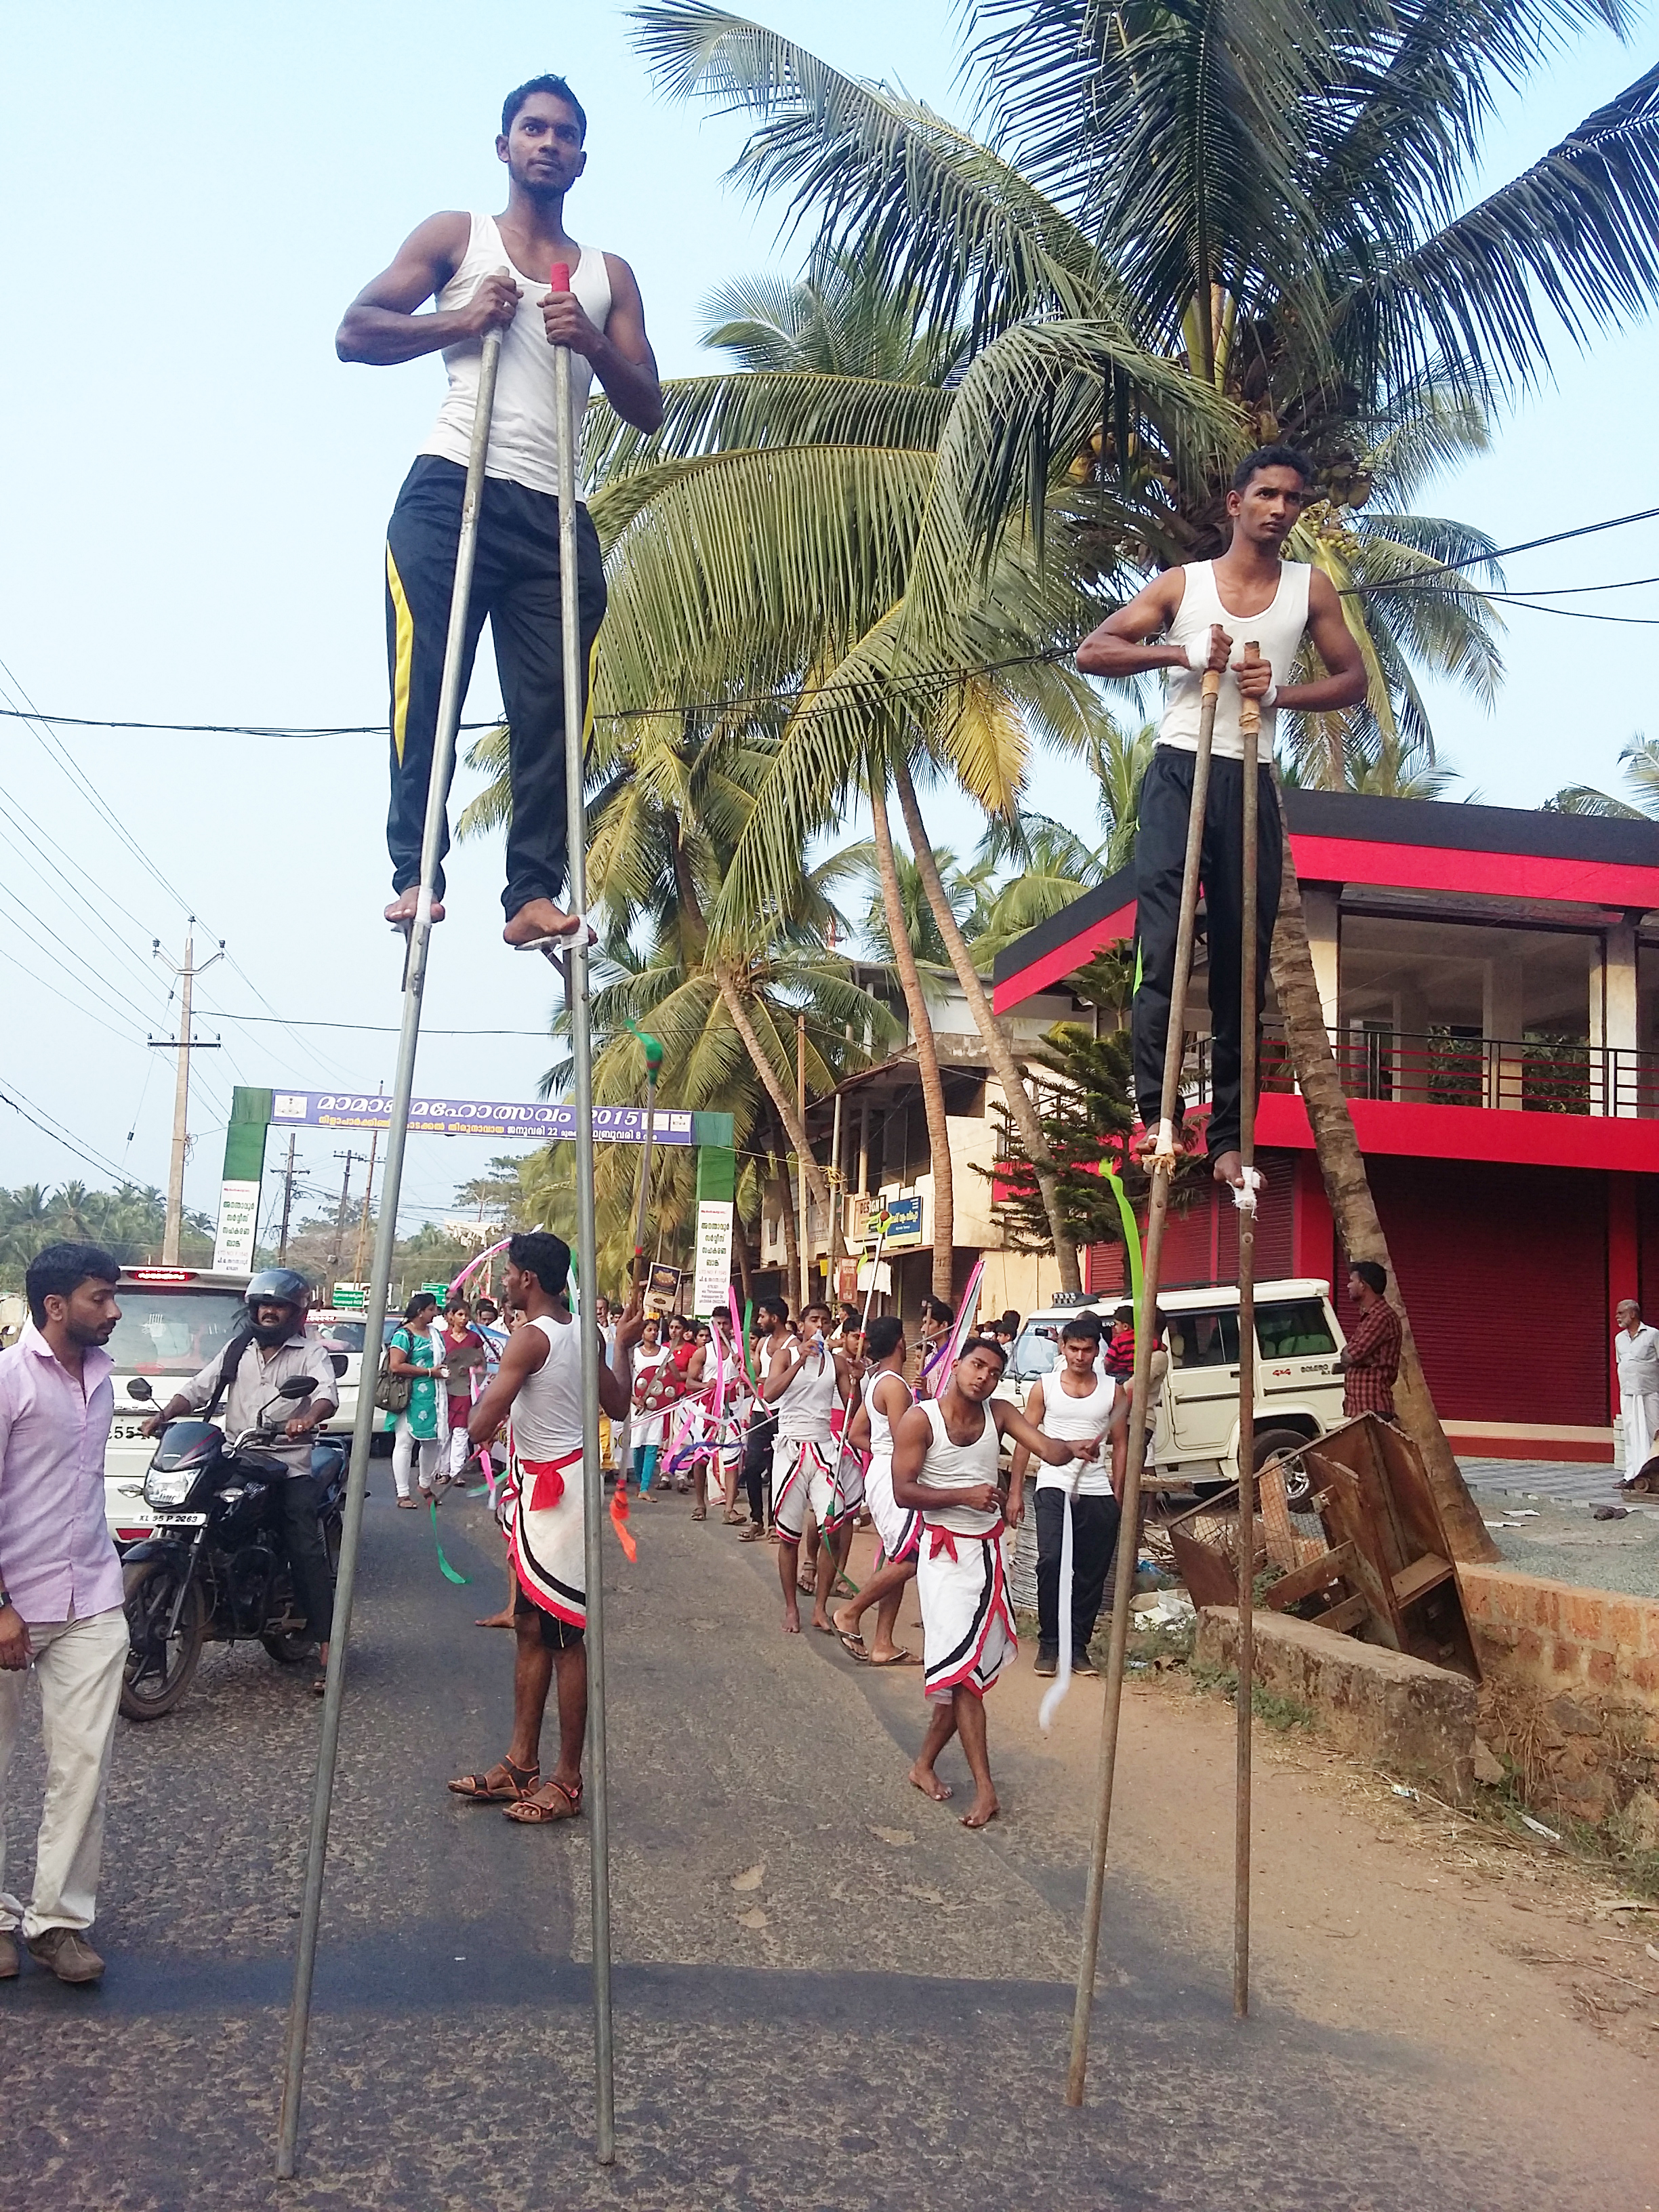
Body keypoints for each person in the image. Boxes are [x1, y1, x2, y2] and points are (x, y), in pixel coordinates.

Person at [337, 74, 663, 945]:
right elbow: (355, 332)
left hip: (555, 510)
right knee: (428, 690)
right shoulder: (457, 237)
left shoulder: (606, 276)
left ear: (582, 158)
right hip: (452, 487)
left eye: (563, 133)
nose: (547, 142)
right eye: (532, 129)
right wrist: (463, 320)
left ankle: (530, 894)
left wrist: (589, 338)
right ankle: (416, 874)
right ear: (505, 146)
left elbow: (648, 403)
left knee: (555, 709)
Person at [1076, 447, 1367, 1191]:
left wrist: (1277, 697)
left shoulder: (1311, 589)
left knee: (1244, 964)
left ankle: (1230, 1137)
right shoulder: (1185, 585)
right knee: (1165, 947)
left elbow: (1352, 681)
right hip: (1181, 770)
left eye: (1292, 499)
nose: (1279, 509)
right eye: (1266, 495)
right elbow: (1094, 650)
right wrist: (1182, 652)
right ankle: (1159, 1116)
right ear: (1235, 504)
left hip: (1252, 775)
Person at [448, 1233, 642, 1822]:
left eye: (509, 1273)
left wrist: (463, 1442)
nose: (504, 1281)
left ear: (528, 1279)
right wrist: (625, 1346)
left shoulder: (531, 1338)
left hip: (557, 1497)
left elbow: (484, 1421)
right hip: (551, 1491)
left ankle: (567, 1780)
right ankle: (520, 1763)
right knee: (532, 1628)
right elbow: (620, 1404)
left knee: (564, 1637)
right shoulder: (591, 1333)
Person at [890, 1336, 1086, 1828]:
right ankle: (986, 1789)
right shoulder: (921, 1420)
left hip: (990, 1556)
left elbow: (1046, 1448)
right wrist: (964, 1495)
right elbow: (903, 1491)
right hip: (946, 1561)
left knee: (964, 1675)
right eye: (977, 1366)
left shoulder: (999, 1413)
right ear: (957, 1365)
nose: (984, 1377)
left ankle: (923, 1766)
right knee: (964, 1680)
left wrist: (1074, 1450)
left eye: (994, 1372)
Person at [0, 1244, 130, 1984]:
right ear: (55, 1307)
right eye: (99, 1298)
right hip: (11, 1608)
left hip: (92, 1599)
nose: (113, 1311)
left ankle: (57, 1923)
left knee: (84, 1766)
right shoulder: (8, 1380)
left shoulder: (103, 1377)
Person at [146, 1267, 340, 1689]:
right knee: (197, 1513)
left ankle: (329, 1645)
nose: (269, 1312)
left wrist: (307, 1418)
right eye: (263, 1305)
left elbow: (327, 1395)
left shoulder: (310, 1354)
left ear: (296, 1312)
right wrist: (163, 1415)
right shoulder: (237, 1350)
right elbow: (199, 1388)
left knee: (303, 1543)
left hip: (288, 1463)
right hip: (238, 1456)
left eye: (279, 1306)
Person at [1007, 1313, 1127, 1679]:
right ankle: (1049, 1644)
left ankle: (1078, 1648)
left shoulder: (1113, 1391)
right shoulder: (1044, 1387)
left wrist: (1118, 1494)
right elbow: (1024, 1440)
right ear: (1062, 1348)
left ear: (1097, 1351)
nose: (1079, 1356)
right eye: (1073, 1349)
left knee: (1091, 1572)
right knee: (1051, 1561)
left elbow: (1121, 1444)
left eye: (1086, 1350)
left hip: (1097, 1490)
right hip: (1053, 1485)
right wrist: (1014, 1493)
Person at [761, 1301, 860, 1634]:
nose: (819, 1326)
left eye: (824, 1321)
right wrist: (801, 1358)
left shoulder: (838, 1363)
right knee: (788, 1535)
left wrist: (857, 1379)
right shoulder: (785, 1356)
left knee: (831, 1527)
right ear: (801, 1325)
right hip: (790, 1449)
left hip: (824, 1448)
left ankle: (819, 1607)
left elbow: (851, 1408)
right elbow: (770, 1393)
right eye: (813, 1320)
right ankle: (791, 1608)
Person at [831, 1317, 919, 1665]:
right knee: (909, 1558)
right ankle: (850, 1613)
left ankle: (884, 1643)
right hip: (894, 1471)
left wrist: (882, 1450)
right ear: (901, 1343)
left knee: (897, 1556)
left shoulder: (876, 1381)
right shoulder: (894, 1385)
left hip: (881, 1468)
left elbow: (856, 1433)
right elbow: (906, 1438)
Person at [383, 1292, 447, 1504]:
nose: (435, 1313)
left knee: (432, 1442)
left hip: (435, 1395)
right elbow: (396, 1365)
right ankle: (402, 1493)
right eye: (431, 1309)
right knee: (405, 1442)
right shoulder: (404, 1335)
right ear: (420, 1312)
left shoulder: (435, 1333)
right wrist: (429, 1372)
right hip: (410, 1395)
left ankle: (425, 1485)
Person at [739, 1299, 790, 1542]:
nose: (759, 1321)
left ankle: (774, 1523)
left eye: (762, 1316)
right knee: (752, 1468)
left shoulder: (795, 1345)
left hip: (783, 1413)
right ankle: (756, 1520)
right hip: (761, 1410)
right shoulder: (763, 1342)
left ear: (775, 1318)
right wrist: (747, 1371)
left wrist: (768, 1383)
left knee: (777, 1471)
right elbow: (757, 1372)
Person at [1335, 1261, 1403, 1422]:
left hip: (1372, 1407)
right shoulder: (1370, 1317)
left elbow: (1351, 1355)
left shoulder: (1380, 1318)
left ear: (1364, 1285)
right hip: (1362, 1408)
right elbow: (1350, 1354)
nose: (1348, 1286)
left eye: (1352, 1281)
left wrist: (1356, 1357)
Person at [440, 1296, 489, 1480]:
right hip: (444, 1388)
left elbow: (481, 1362)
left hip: (464, 1389)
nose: (464, 1319)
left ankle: (456, 1473)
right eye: (460, 1314)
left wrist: (475, 1368)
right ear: (450, 1316)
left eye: (467, 1315)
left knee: (461, 1430)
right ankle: (442, 1471)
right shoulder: (441, 1338)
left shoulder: (474, 1338)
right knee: (444, 1431)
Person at [1614, 1299, 1659, 1476]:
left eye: (1621, 1313)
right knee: (1631, 1435)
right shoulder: (1619, 1338)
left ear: (1633, 1314)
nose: (1617, 1317)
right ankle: (1631, 1475)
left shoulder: (1653, 1334)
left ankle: (1651, 1474)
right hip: (1628, 1393)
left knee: (1651, 1433)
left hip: (1649, 1392)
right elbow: (1622, 1363)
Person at [630, 1315, 670, 1496]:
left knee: (653, 1444)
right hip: (638, 1406)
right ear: (642, 1333)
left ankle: (645, 1487)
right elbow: (627, 1378)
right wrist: (634, 1399)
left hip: (658, 1407)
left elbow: (673, 1378)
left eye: (656, 1330)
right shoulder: (634, 1354)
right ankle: (640, 1481)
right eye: (649, 1330)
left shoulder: (664, 1354)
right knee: (638, 1446)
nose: (653, 1333)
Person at [914, 1296, 955, 1401]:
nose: (923, 1329)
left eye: (929, 1323)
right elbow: (929, 1398)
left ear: (944, 1325)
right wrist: (923, 1391)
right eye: (924, 1323)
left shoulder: (958, 1355)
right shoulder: (928, 1359)